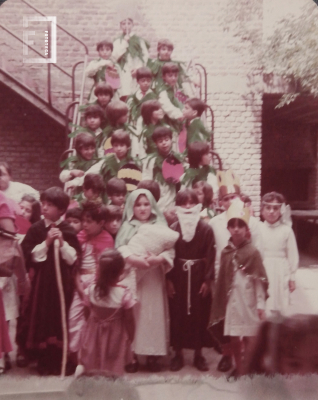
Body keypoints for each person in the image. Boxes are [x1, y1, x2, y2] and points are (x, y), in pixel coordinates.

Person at [19, 187, 81, 375]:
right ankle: (44, 360)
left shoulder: (67, 230)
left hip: (62, 282)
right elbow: (28, 254)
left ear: (61, 210)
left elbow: (73, 259)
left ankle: (61, 359)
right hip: (42, 283)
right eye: (43, 204)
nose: (44, 208)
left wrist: (62, 243)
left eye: (50, 205)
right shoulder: (37, 229)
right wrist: (46, 243)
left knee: (60, 316)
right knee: (43, 316)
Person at [115, 189, 175, 372]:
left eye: (146, 204)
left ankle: (153, 355)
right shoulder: (127, 227)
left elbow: (170, 249)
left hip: (154, 276)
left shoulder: (160, 225)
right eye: (138, 204)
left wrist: (160, 259)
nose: (142, 208)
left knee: (153, 314)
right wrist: (133, 259)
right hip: (134, 275)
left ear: (152, 206)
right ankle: (132, 355)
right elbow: (119, 248)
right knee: (134, 314)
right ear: (132, 207)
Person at [209, 169, 262, 372]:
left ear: (240, 196)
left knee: (247, 322)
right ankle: (227, 356)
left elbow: (258, 252)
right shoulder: (214, 223)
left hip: (246, 278)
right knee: (227, 321)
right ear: (220, 203)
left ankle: (248, 362)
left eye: (233, 197)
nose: (230, 201)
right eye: (226, 199)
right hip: (222, 276)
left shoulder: (253, 223)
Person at [166, 189, 215, 372]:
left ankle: (198, 354)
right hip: (178, 276)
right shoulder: (172, 229)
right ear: (177, 206)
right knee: (177, 314)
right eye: (183, 203)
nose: (187, 207)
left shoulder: (206, 229)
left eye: (191, 203)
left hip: (198, 277)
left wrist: (207, 280)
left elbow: (210, 255)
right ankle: (177, 353)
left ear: (198, 206)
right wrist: (168, 280)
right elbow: (168, 256)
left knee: (199, 314)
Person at [78, 249, 136, 375]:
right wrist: (130, 337)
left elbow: (86, 313)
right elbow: (129, 320)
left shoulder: (91, 291)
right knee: (113, 363)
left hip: (93, 333)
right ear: (120, 271)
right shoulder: (124, 294)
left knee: (93, 361)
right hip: (116, 337)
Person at [68, 203, 114, 359]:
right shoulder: (79, 237)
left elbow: (105, 268)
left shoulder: (107, 239)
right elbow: (74, 264)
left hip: (98, 284)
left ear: (101, 223)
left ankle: (94, 356)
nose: (84, 225)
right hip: (79, 281)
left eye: (89, 222)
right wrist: (79, 287)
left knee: (95, 320)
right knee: (74, 318)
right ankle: (76, 356)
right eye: (83, 221)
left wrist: (95, 287)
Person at [0, 192, 28, 374]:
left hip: (1, 262)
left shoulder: (3, 201)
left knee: (4, 312)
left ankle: (3, 355)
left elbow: (8, 231)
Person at [259, 192, 298, 317]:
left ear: (281, 211)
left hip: (280, 270)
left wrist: (292, 277)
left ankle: (278, 330)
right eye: (268, 208)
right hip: (262, 269)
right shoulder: (257, 229)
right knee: (263, 302)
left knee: (279, 302)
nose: (271, 211)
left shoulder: (286, 230)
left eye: (275, 208)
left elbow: (292, 254)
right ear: (262, 210)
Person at [142, 127, 184, 211]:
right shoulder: (150, 160)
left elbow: (184, 178)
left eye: (166, 140)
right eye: (160, 141)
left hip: (172, 195)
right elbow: (146, 178)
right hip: (157, 196)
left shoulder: (178, 159)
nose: (164, 143)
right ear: (156, 143)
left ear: (171, 140)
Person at [112, 17, 149, 99]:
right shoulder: (118, 41)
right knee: (124, 93)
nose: (126, 26)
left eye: (128, 23)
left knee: (137, 93)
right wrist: (124, 42)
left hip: (136, 71)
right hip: (123, 72)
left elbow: (145, 56)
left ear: (132, 25)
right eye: (123, 24)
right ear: (120, 26)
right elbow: (114, 57)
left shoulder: (139, 40)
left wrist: (138, 68)